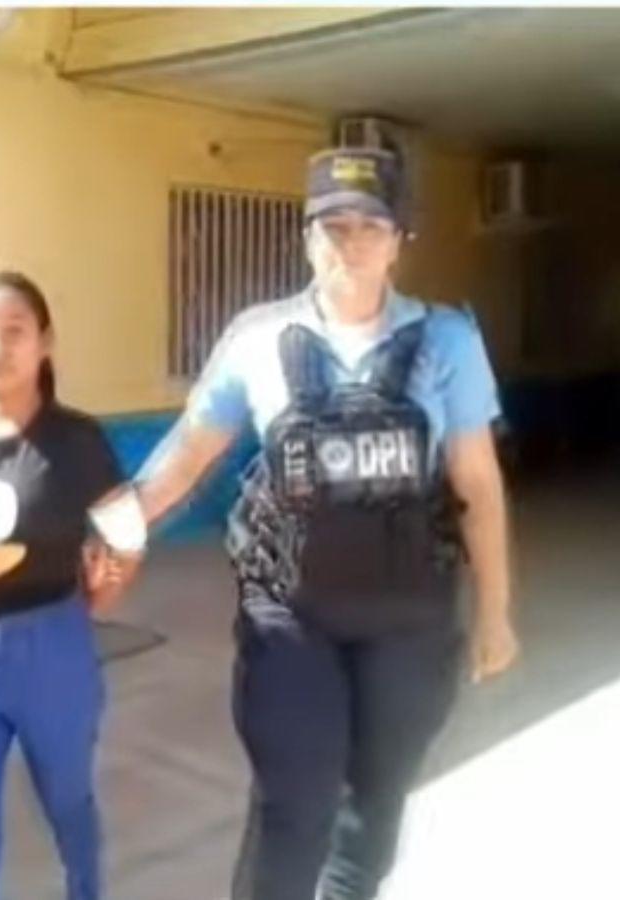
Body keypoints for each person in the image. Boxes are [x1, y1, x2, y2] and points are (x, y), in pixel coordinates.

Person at [135, 147, 519, 899]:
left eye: (371, 226)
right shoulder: (258, 338)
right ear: (307, 237)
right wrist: (108, 530)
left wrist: (495, 613)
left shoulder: (447, 341)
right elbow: (184, 457)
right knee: (294, 805)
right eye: (333, 226)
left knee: (373, 810)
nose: (351, 243)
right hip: (292, 619)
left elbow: (476, 481)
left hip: (409, 621)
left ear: (400, 239)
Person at [0, 271, 146, 900]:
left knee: (68, 803)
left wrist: (103, 594)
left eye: (14, 331)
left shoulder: (77, 441)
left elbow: (126, 533)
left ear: (45, 341)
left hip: (52, 653)